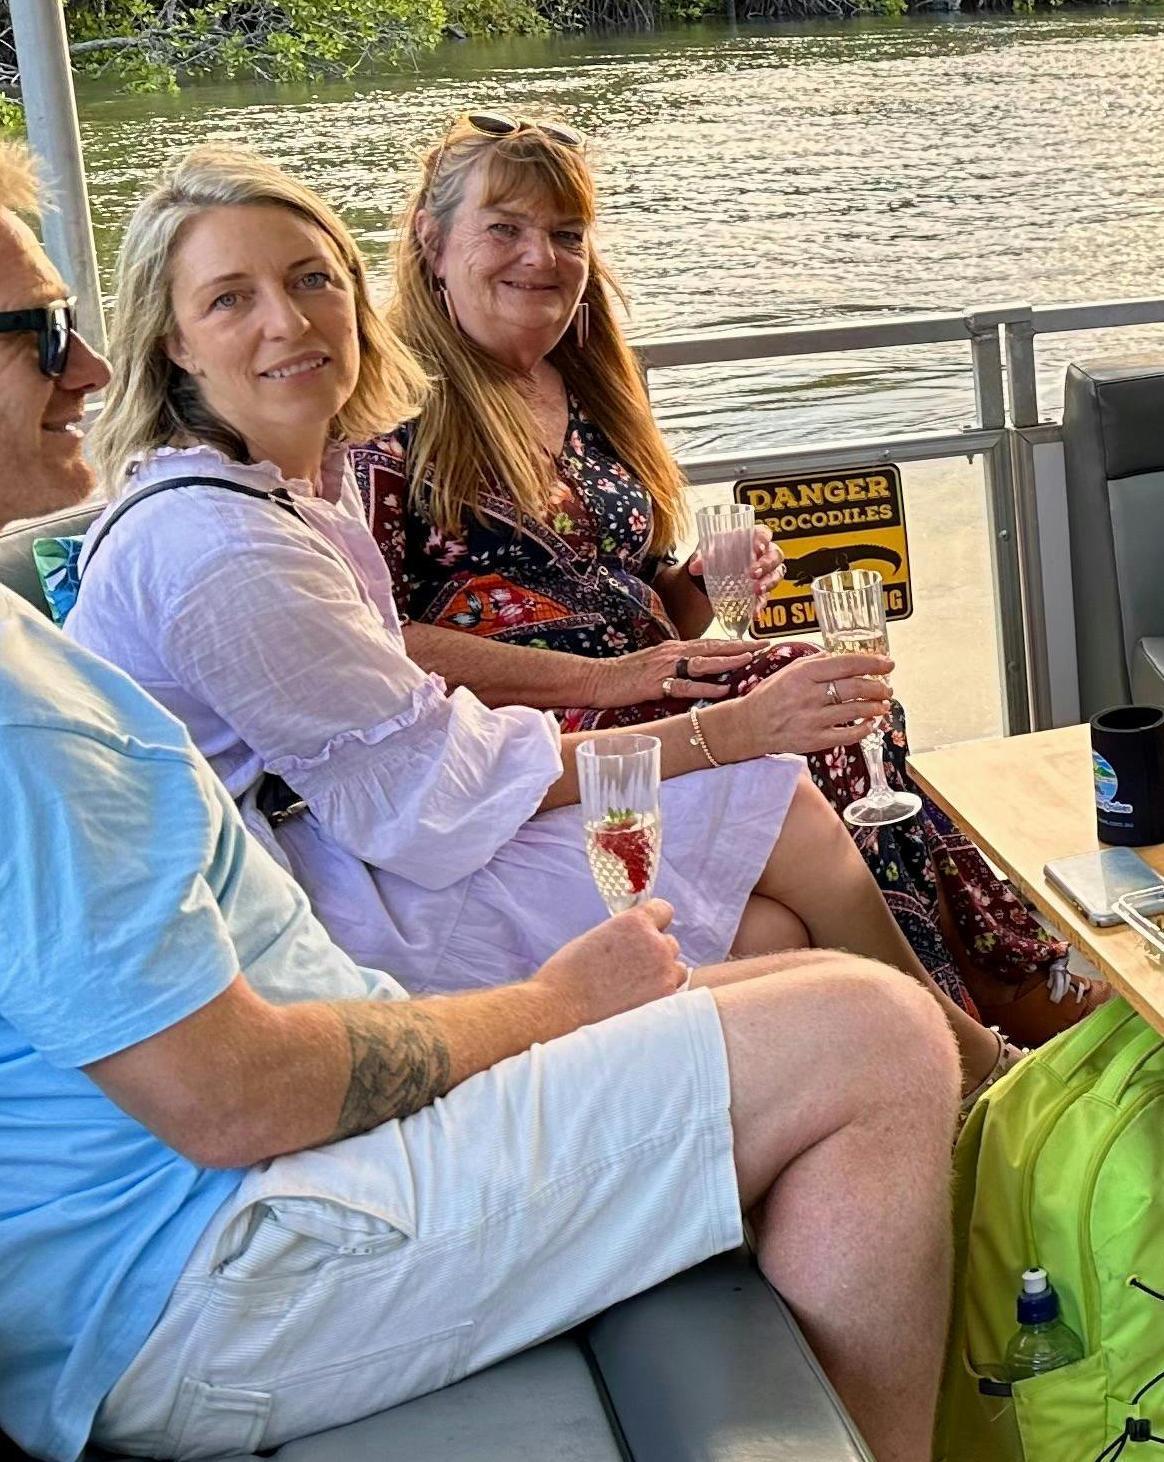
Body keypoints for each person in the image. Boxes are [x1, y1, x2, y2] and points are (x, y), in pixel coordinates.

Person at [0, 119, 1095, 1462]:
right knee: (866, 1034)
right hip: (210, 1273)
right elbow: (232, 1095)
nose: (82, 370)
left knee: (787, 958)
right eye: (36, 331)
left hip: (143, 1241)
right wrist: (559, 1001)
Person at [64, 147, 1006, 1086]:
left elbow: (441, 712)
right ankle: (976, 1064)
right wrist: (715, 727)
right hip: (299, 909)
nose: (289, 319)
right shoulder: (232, 540)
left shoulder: (302, 488)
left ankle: (939, 1043)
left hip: (370, 823)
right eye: (230, 298)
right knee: (779, 774)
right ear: (173, 341)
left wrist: (695, 603)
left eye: (313, 280)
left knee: (774, 917)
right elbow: (426, 777)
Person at [348, 113, 1074, 1036]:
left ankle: (975, 989)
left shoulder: (593, 390)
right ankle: (991, 992)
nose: (542, 257)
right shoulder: (385, 409)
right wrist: (613, 677)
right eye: (506, 228)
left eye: (566, 235)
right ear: (431, 239)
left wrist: (703, 577)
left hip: (644, 688)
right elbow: (379, 644)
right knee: (804, 696)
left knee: (844, 695)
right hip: (521, 739)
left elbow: (666, 620)